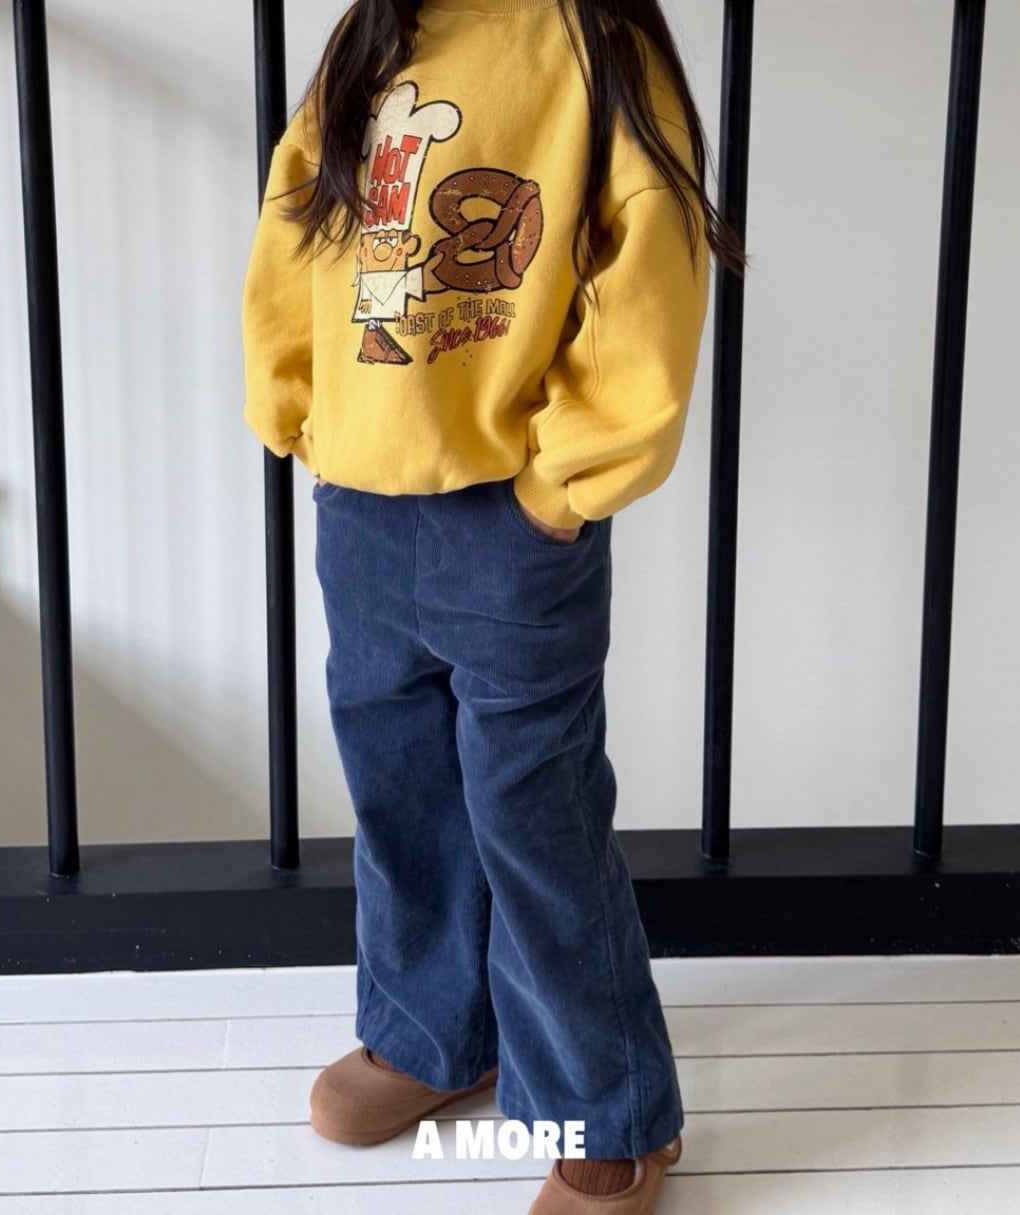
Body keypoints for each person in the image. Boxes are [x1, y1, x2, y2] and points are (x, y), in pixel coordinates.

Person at [241, 0, 746, 1208]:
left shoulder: (595, 46)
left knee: (535, 814)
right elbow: (298, 216)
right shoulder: (374, 37)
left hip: (511, 518)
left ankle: (608, 1111)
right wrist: (299, 407)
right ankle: (431, 1036)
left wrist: (563, 488)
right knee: (399, 788)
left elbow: (649, 261)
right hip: (360, 503)